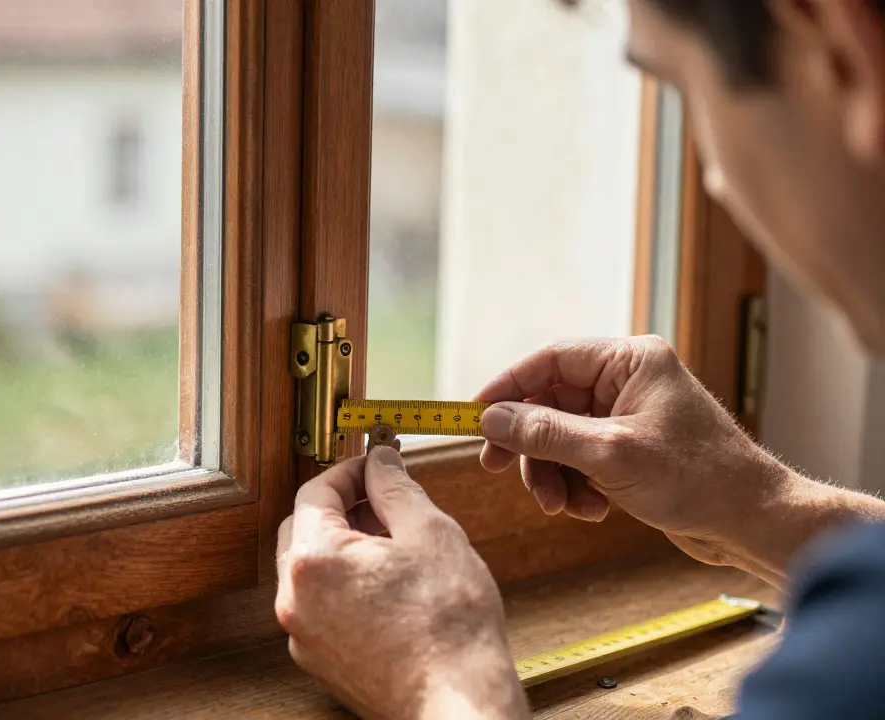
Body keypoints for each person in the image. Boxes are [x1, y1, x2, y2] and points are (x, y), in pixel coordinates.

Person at [273, 0, 885, 717]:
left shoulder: (851, 666)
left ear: (844, 48)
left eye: (687, 89)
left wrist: (441, 675)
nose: (714, 179)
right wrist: (761, 505)